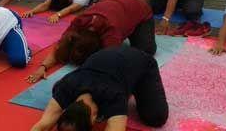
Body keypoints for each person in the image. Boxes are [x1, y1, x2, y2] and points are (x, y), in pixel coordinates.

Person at [30, 46, 168, 131]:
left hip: (141, 64)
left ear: (94, 118)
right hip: (107, 58)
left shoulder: (113, 96)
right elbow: (42, 126)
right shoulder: (65, 87)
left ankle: (134, 84)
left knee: (156, 117)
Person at [26, 0, 155, 84]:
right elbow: (60, 46)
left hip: (139, 11)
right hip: (111, 1)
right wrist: (43, 67)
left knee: (145, 52)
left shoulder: (111, 33)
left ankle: (133, 29)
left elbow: (111, 67)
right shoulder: (78, 22)